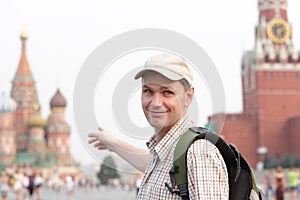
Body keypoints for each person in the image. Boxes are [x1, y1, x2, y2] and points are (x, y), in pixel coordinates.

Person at [88, 53, 229, 199]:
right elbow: (153, 163)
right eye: (148, 91)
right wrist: (114, 144)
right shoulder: (169, 150)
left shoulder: (199, 154)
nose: (155, 103)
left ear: (188, 97)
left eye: (167, 92)